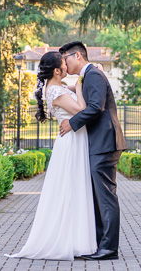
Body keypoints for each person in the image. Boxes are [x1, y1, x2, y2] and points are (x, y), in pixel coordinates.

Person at [7, 51, 97, 260]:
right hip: (72, 143)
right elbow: (81, 109)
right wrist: (81, 86)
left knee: (74, 189)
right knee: (72, 189)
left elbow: (74, 91)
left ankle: (77, 239)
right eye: (64, 64)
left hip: (73, 140)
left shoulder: (59, 88)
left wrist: (83, 78)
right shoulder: (56, 91)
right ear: (57, 71)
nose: (67, 66)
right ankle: (71, 241)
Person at [58, 40, 127, 261]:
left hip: (104, 143)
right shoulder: (88, 75)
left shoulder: (94, 75)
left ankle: (108, 248)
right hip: (99, 143)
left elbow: (96, 107)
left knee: (105, 197)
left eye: (66, 58)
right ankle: (100, 244)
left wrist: (72, 122)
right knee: (99, 197)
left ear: (78, 56)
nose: (65, 64)